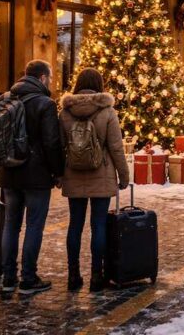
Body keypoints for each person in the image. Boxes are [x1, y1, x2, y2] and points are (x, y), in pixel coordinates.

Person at [0, 60, 64, 295]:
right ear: (42, 78)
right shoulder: (45, 104)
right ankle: (28, 279)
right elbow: (52, 143)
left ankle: (9, 278)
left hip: (9, 173)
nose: (50, 82)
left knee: (11, 225)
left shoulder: (4, 100)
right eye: (49, 78)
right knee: (33, 226)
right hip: (36, 176)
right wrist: (58, 172)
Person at [59, 68, 130, 292]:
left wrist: (59, 174)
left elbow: (59, 146)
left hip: (73, 173)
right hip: (102, 173)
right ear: (99, 84)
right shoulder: (107, 111)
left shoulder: (65, 112)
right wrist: (124, 175)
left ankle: (73, 275)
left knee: (75, 225)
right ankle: (96, 277)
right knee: (98, 225)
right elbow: (116, 148)